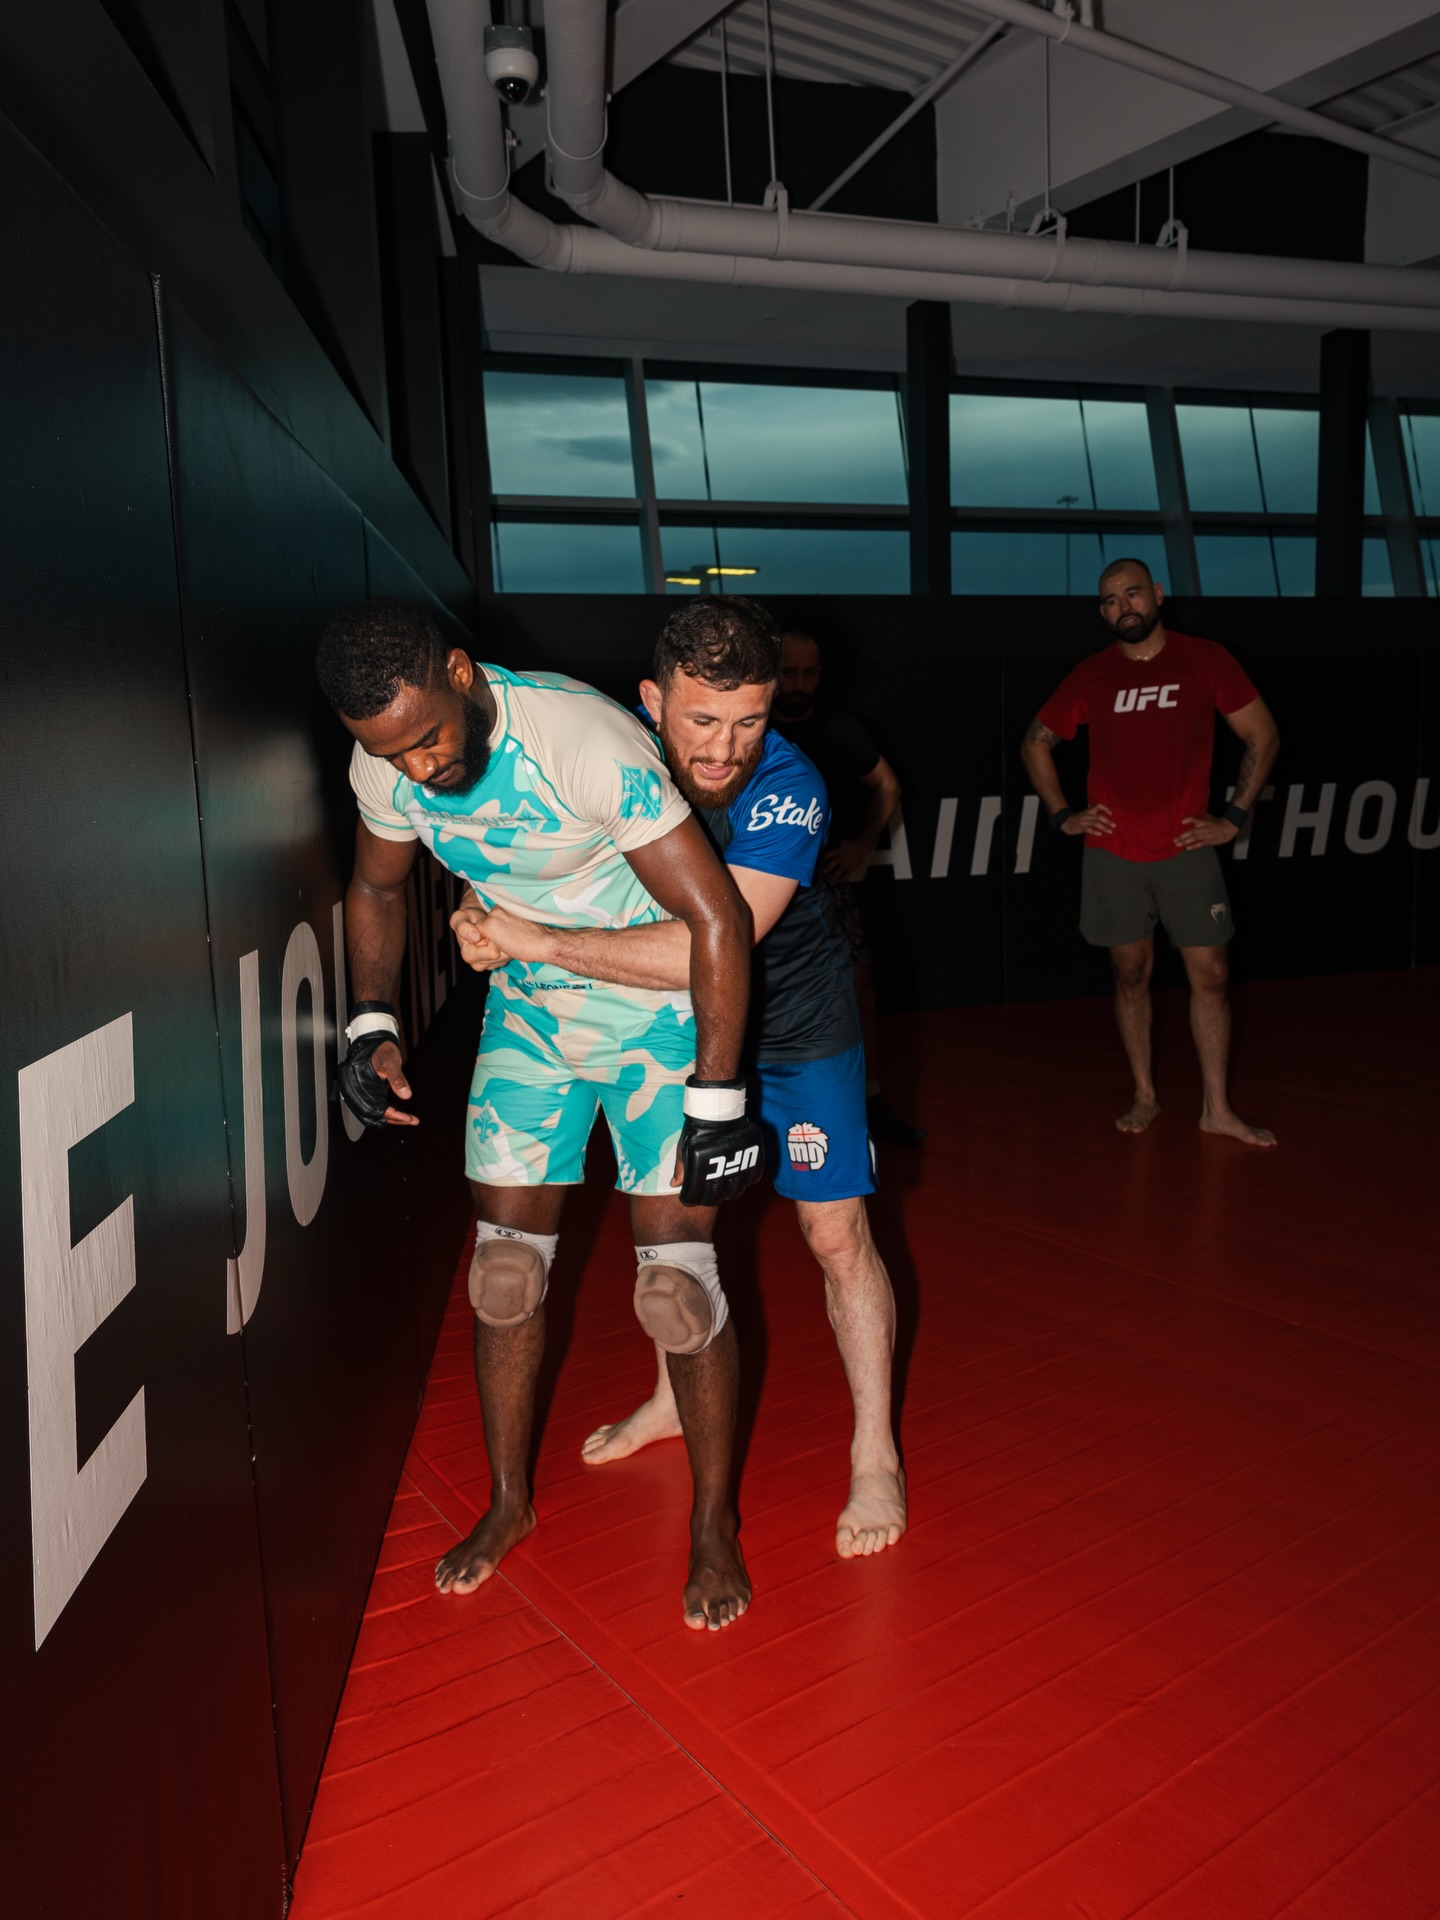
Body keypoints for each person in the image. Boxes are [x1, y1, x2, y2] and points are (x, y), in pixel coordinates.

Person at [315, 598, 764, 1632]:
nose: (420, 767)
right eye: (392, 753)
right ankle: (509, 1501)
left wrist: (718, 1099)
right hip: (532, 1016)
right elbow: (376, 890)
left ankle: (712, 1521)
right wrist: (371, 1023)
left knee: (678, 1290)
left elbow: (716, 920)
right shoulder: (386, 761)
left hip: (655, 1019)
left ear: (460, 672)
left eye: (428, 738)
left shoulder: (583, 742)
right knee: (504, 1275)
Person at [453, 599, 907, 1559]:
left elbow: (713, 942)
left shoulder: (788, 785)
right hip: (665, 1031)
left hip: (790, 1029)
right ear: (653, 701)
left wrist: (535, 941)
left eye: (750, 721)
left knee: (836, 1234)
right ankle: (667, 1398)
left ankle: (875, 1451)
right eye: (702, 720)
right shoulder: (607, 751)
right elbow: (517, 853)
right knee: (673, 1245)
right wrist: (481, 912)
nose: (725, 748)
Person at [1019, 558, 1280, 1146]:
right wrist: (1062, 815)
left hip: (1187, 845)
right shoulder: (1092, 674)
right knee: (1130, 972)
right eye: (1110, 600)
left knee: (1212, 976)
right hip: (1113, 850)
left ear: (1158, 594)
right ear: (1102, 612)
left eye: (1133, 593)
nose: (1124, 607)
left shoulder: (1205, 659)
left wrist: (1234, 817)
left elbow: (1262, 735)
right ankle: (1144, 1094)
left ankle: (1217, 1108)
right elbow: (1035, 743)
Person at [774, 628, 924, 1148]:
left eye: (808, 673)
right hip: (756, 882)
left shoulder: (839, 728)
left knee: (859, 991)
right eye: (788, 672)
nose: (798, 684)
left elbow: (888, 785)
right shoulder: (750, 725)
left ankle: (870, 1101)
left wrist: (861, 844)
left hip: (824, 885)